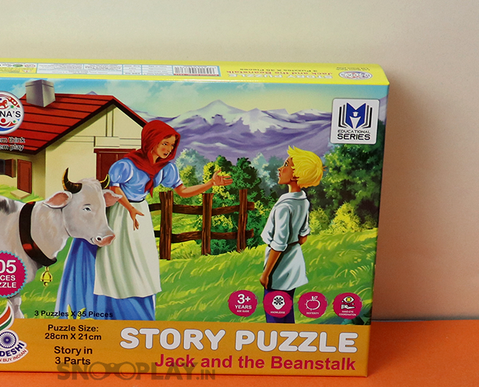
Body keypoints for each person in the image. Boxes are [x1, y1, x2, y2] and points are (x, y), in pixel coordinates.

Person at [55, 119, 232, 321]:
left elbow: (182, 191)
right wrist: (129, 208)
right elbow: (115, 188)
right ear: (151, 141)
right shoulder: (126, 165)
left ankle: (140, 303)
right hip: (120, 212)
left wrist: (210, 184)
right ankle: (113, 307)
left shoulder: (166, 169)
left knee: (142, 259)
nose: (168, 149)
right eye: (164, 143)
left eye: (172, 145)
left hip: (140, 212)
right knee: (117, 259)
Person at [260, 146, 323, 323]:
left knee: (274, 312)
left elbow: (279, 243)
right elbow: (303, 237)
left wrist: (266, 273)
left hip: (279, 268)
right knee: (286, 310)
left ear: (297, 174)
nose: (280, 169)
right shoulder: (303, 201)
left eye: (286, 165)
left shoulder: (284, 206)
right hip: (294, 263)